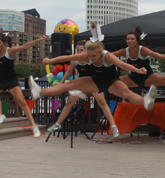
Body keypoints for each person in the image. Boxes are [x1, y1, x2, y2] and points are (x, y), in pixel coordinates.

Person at [28, 23, 158, 113]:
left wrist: (137, 70)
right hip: (96, 81)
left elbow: (122, 65)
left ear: (100, 52)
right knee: (70, 84)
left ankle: (145, 101)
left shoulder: (107, 56)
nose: (91, 58)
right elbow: (67, 58)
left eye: (94, 56)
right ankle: (39, 91)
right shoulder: (87, 56)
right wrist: (50, 60)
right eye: (89, 56)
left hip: (112, 81)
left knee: (127, 93)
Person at [47, 40, 119, 137]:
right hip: (81, 83)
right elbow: (68, 72)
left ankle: (113, 126)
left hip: (94, 82)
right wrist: (60, 82)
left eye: (81, 50)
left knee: (102, 102)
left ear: (86, 51)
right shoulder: (75, 60)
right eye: (77, 50)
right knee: (69, 103)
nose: (79, 52)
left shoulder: (90, 58)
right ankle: (57, 124)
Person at [112, 25, 165, 95]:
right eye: (128, 39)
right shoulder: (124, 51)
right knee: (113, 82)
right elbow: (108, 56)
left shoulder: (142, 50)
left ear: (137, 41)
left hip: (147, 76)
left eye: (132, 39)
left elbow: (153, 54)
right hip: (133, 77)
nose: (129, 40)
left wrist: (163, 57)